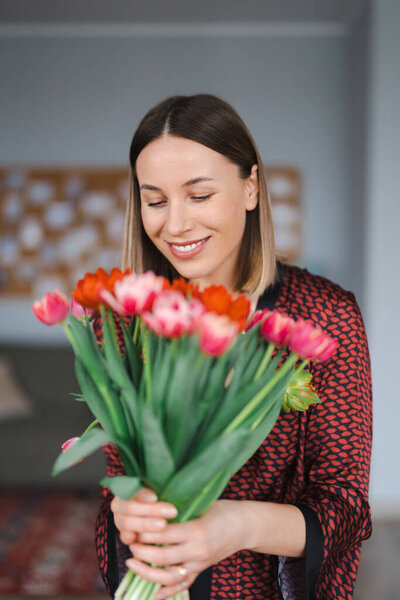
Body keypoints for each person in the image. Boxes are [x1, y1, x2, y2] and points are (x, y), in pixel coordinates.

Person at [93, 94, 372, 600]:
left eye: (198, 195)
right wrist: (125, 509)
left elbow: (346, 510)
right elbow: (121, 481)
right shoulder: (121, 323)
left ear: (250, 187)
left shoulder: (325, 317)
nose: (174, 224)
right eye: (155, 200)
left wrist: (237, 525)